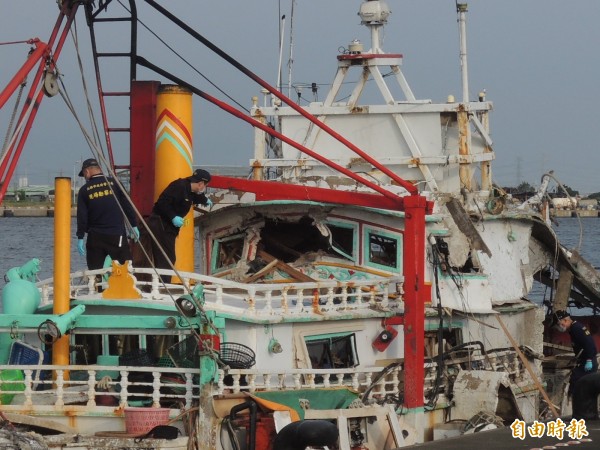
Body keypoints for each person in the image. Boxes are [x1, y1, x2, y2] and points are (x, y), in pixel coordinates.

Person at [145, 168, 212, 275]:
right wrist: (173, 217)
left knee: (168, 258)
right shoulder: (179, 186)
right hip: (161, 223)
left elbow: (195, 196)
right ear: (201, 184)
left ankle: (163, 283)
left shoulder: (191, 190)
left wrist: (205, 200)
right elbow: (162, 202)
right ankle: (163, 286)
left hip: (170, 227)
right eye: (205, 185)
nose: (205, 188)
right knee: (166, 258)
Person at [76, 158, 139, 270]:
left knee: (95, 272)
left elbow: (82, 217)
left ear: (87, 172)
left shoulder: (84, 190)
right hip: (117, 235)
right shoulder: (114, 183)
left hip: (95, 237)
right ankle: (124, 287)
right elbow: (127, 206)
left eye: (84, 175)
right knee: (125, 269)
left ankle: (97, 288)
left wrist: (80, 236)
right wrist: (133, 225)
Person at [553, 310, 598, 395]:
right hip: (585, 360)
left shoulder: (576, 328)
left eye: (558, 324)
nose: (558, 327)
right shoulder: (574, 328)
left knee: (576, 382)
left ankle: (572, 403)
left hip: (588, 363)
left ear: (565, 320)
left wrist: (589, 360)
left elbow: (589, 343)